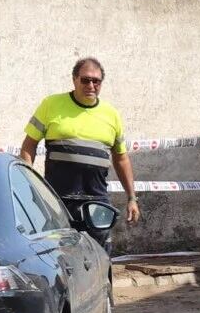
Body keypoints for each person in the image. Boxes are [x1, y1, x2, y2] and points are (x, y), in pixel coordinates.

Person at [19, 57, 140, 226]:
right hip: (56, 200)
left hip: (97, 201)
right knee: (60, 250)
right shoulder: (51, 104)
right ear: (74, 79)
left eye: (96, 81)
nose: (91, 86)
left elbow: (121, 159)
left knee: (99, 251)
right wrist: (29, 182)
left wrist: (132, 198)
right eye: (85, 80)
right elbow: (28, 146)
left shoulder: (111, 114)